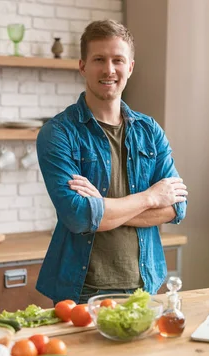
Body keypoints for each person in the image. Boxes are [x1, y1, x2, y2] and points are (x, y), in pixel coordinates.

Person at [36, 20, 188, 305]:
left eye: (118, 60)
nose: (109, 70)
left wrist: (102, 210)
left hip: (145, 285)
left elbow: (176, 207)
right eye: (99, 60)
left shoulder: (150, 130)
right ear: (82, 66)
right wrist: (150, 197)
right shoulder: (58, 133)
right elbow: (78, 216)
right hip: (81, 292)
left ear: (130, 67)